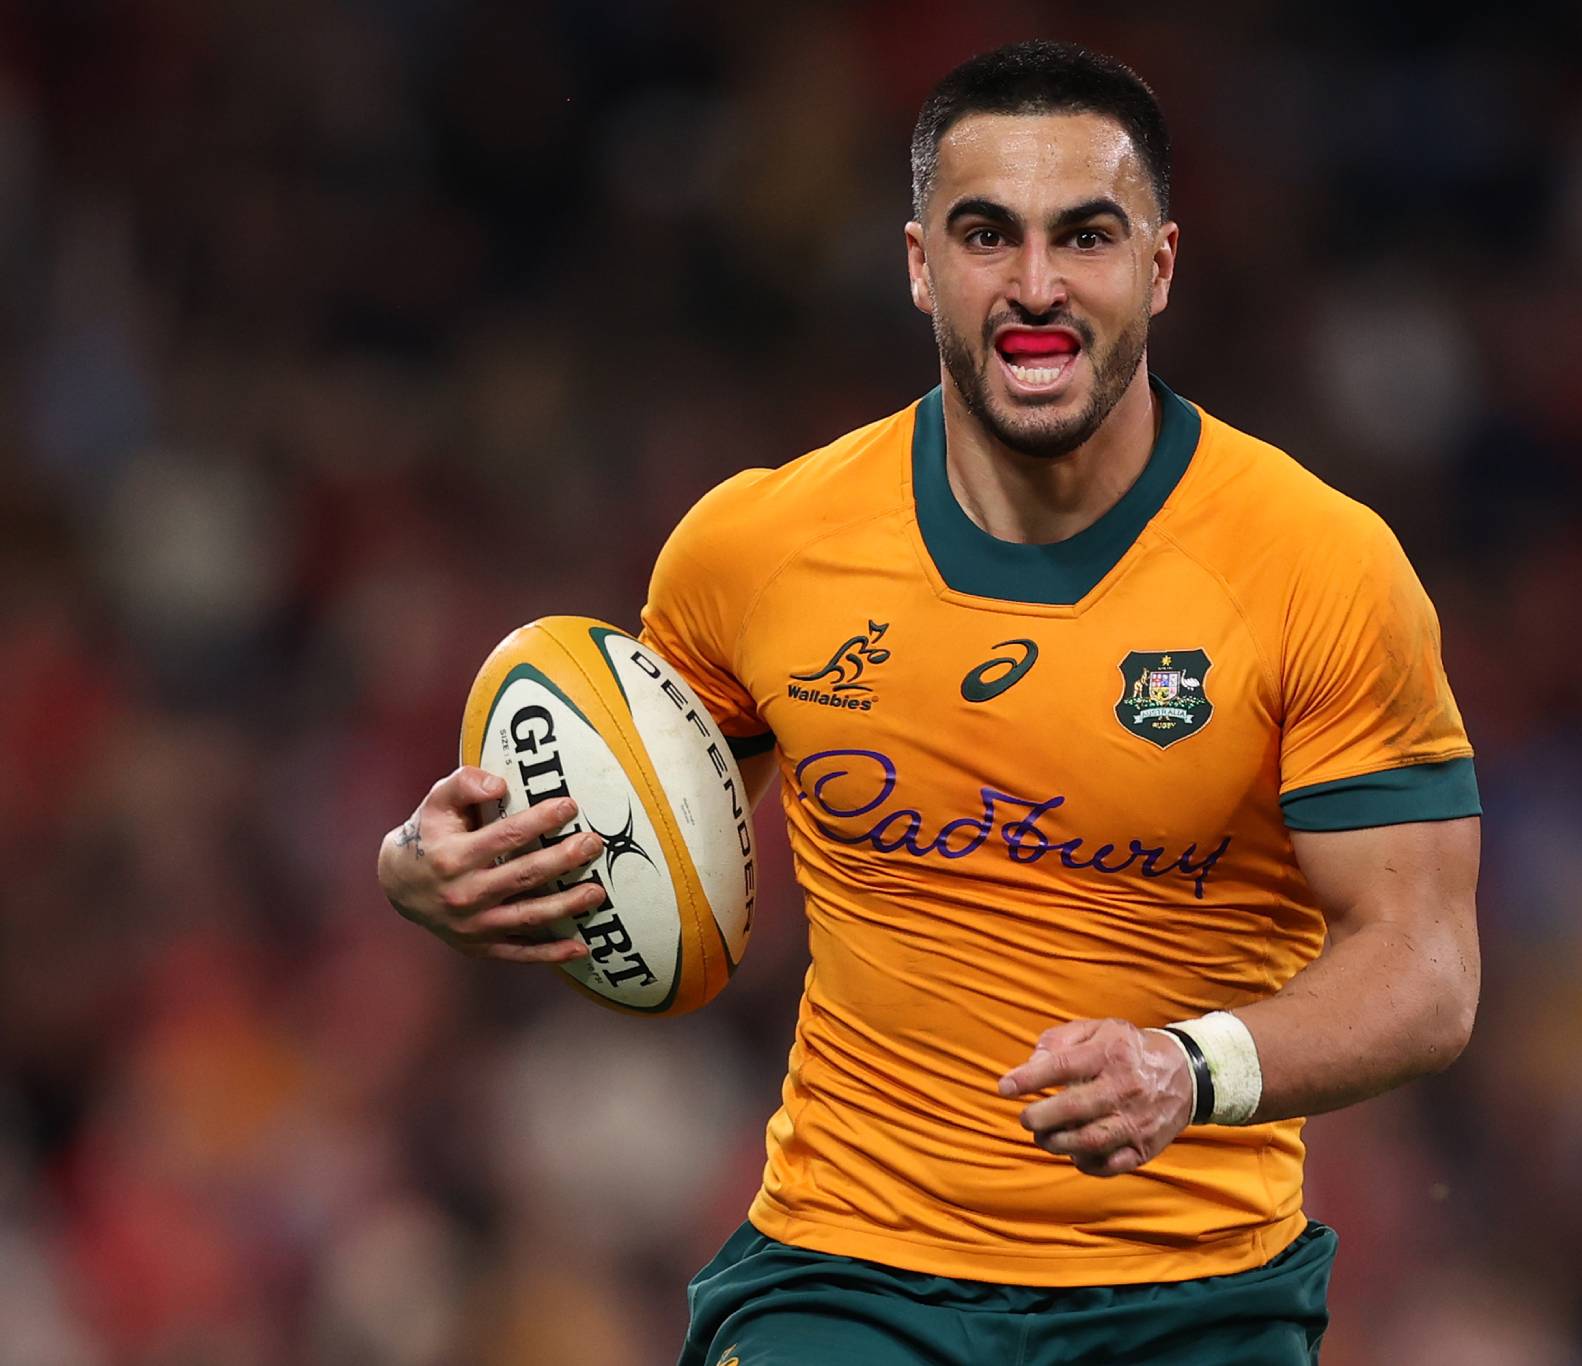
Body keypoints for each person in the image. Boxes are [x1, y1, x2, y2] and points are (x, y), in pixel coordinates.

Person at [378, 39, 1481, 1366]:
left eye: (1085, 236)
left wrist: (1187, 1070)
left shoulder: (1322, 567)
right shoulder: (755, 547)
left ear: (1161, 265)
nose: (1033, 287)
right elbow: (631, 849)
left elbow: (1426, 971)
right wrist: (437, 869)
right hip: (849, 1279)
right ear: (917, 263)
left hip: (1194, 1297)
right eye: (984, 234)